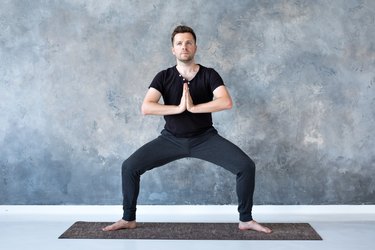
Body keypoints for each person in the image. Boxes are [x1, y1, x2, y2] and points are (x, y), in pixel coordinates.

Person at [103, 25, 272, 234]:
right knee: (129, 167)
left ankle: (245, 219)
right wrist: (179, 108)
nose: (184, 47)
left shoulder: (209, 74)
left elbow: (225, 102)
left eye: (189, 43)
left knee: (246, 166)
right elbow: (146, 107)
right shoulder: (163, 77)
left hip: (205, 139)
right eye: (179, 43)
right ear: (173, 49)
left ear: (195, 47)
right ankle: (128, 218)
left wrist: (194, 108)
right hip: (170, 140)